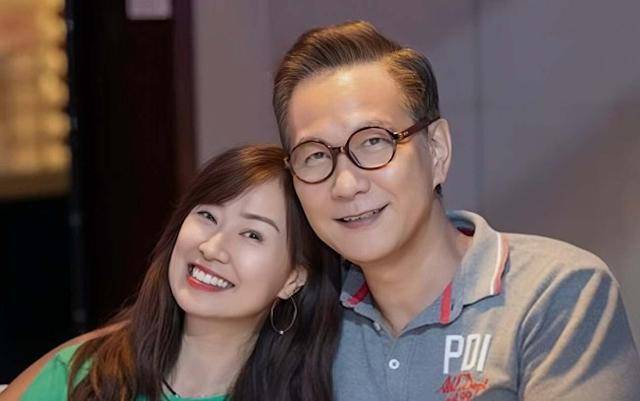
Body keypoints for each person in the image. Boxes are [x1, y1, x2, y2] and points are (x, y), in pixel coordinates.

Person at [273, 21, 640, 400]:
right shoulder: (300, 321)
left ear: (437, 150)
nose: (346, 185)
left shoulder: (554, 292)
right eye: (315, 156)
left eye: (373, 142)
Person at [17, 144, 341, 401]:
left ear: (293, 279)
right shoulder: (83, 378)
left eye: (252, 234)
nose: (211, 247)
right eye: (208, 216)